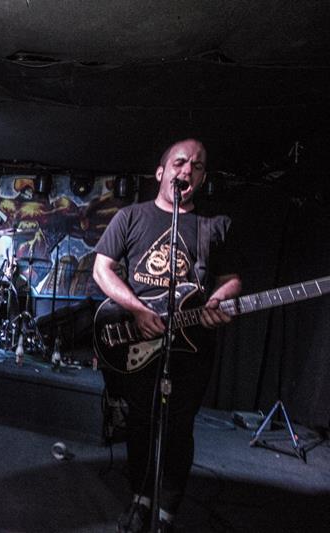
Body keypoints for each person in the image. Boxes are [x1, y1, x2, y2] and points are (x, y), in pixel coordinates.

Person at [92, 139, 241, 532]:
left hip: (192, 346)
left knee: (178, 428)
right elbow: (102, 268)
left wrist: (220, 299)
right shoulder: (131, 217)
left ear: (202, 178)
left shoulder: (214, 226)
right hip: (140, 340)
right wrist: (138, 309)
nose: (187, 170)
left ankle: (166, 512)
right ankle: (140, 499)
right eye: (180, 162)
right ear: (161, 172)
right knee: (140, 423)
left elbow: (231, 280)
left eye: (197, 166)